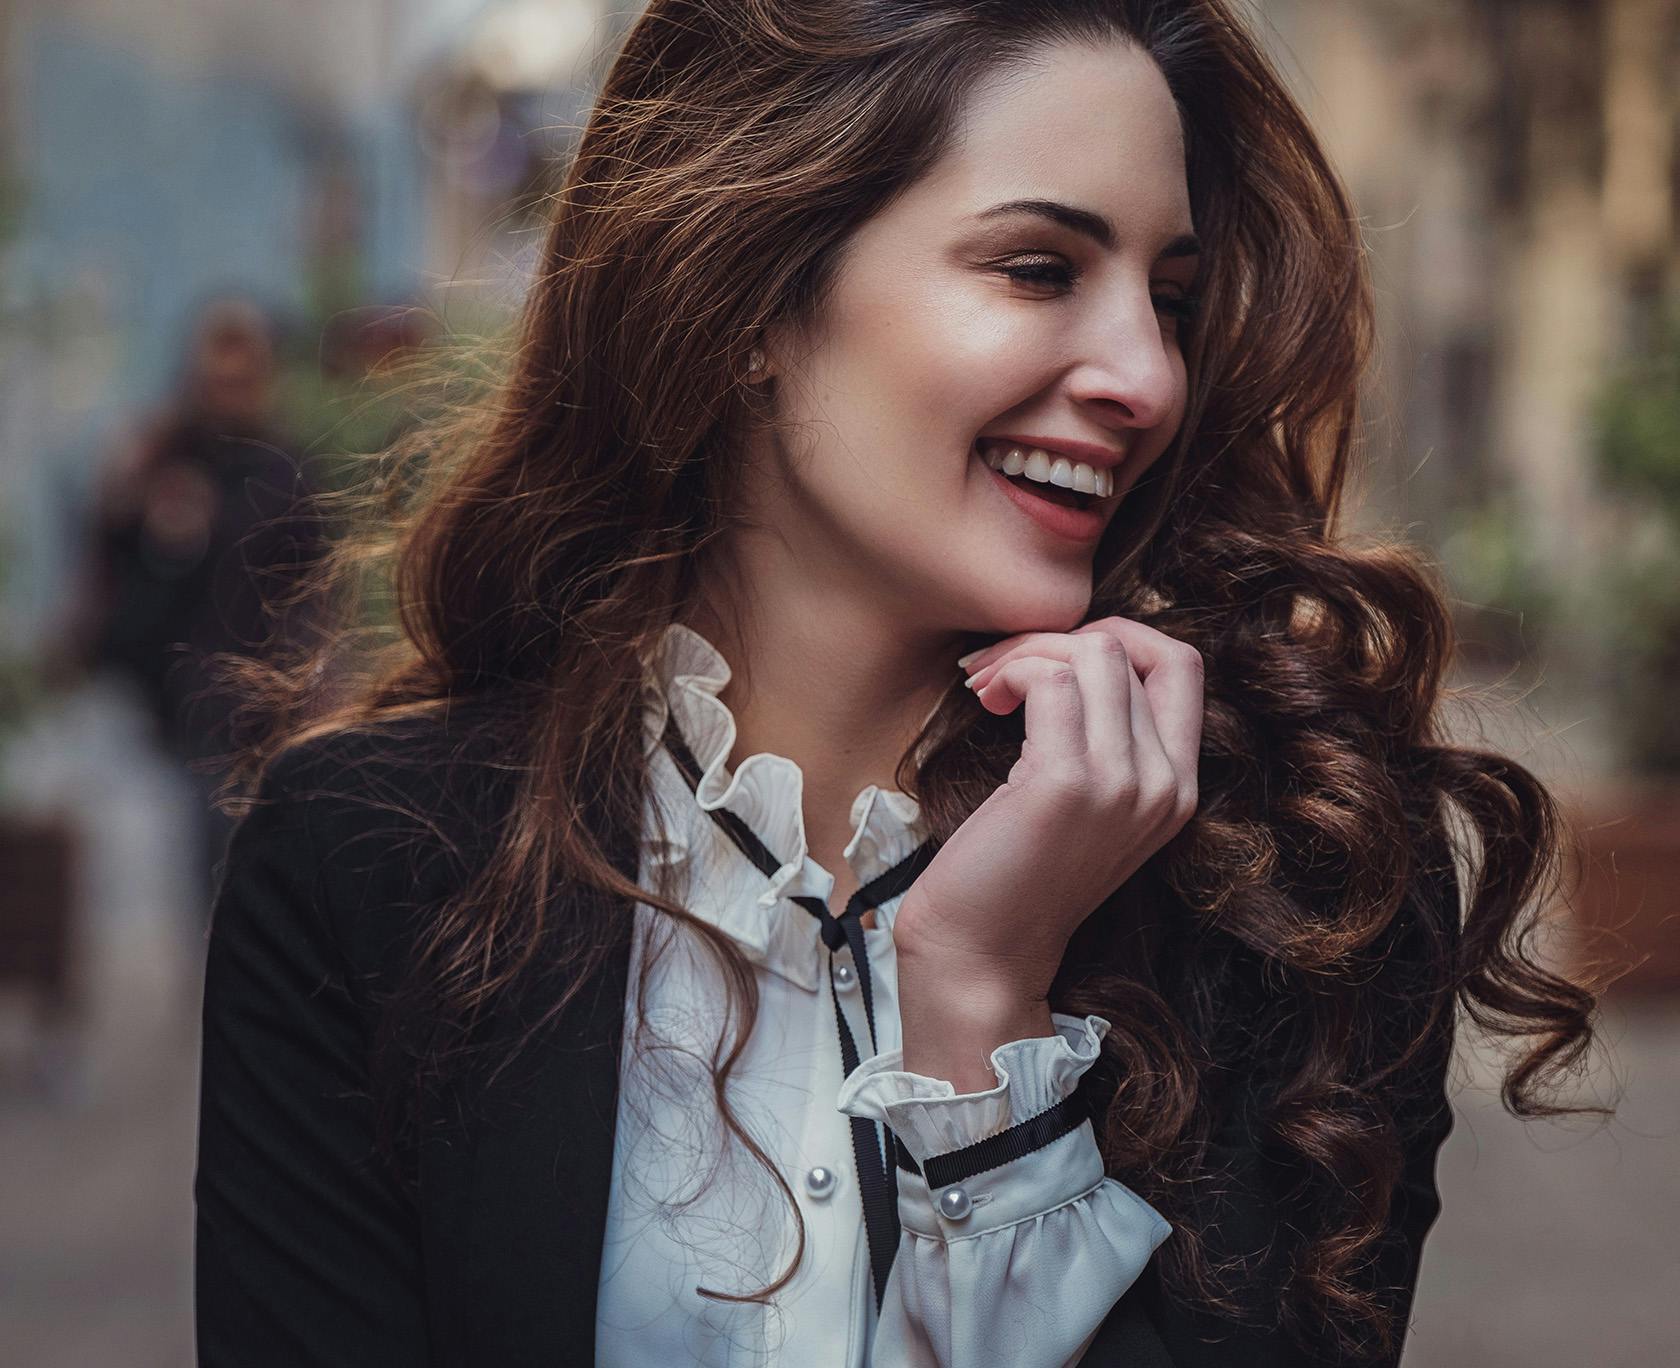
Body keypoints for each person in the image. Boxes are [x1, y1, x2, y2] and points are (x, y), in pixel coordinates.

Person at [193, 3, 1600, 1365]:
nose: (1146, 376)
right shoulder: (368, 867)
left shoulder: (1309, 887)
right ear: (744, 295)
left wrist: (985, 1006)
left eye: (1170, 299)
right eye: (1040, 268)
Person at [61, 295, 326, 915]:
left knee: (236, 861)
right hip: (167, 696)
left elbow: (309, 584)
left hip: (255, 703)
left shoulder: (283, 470)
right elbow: (111, 554)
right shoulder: (161, 457)